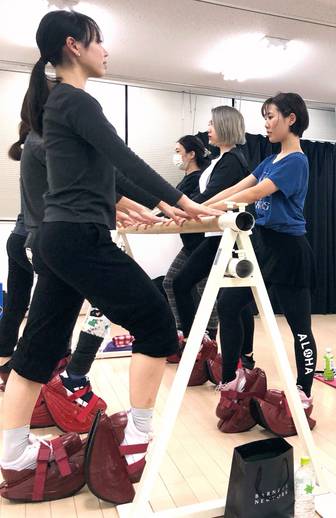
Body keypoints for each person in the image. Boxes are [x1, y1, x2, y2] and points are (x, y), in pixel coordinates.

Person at [0, 10, 220, 504]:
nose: (106, 51)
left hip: (62, 239)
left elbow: (106, 176)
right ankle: (138, 438)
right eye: (99, 41)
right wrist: (183, 201)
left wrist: (154, 207)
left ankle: (13, 458)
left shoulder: (58, 105)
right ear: (74, 45)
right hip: (78, 238)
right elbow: (125, 158)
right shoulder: (75, 100)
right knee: (157, 323)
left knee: (37, 351)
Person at [202, 93, 318, 432]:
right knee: (228, 304)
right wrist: (198, 207)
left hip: (290, 250)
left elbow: (254, 193)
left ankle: (304, 392)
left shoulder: (296, 161)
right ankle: (232, 378)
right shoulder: (270, 160)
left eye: (271, 116)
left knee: (299, 327)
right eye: (264, 117)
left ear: (291, 118)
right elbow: (239, 186)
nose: (266, 124)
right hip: (262, 246)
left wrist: (206, 209)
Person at [172, 107, 249, 355]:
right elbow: (203, 196)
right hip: (214, 236)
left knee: (231, 301)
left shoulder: (233, 160)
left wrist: (184, 211)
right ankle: (197, 342)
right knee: (182, 284)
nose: (208, 129)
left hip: (227, 238)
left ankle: (235, 354)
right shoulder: (220, 160)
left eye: (212, 124)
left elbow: (211, 195)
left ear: (225, 126)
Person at [161, 135, 219, 344]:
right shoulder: (184, 181)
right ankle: (183, 329)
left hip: (201, 243)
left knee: (204, 290)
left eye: (178, 151)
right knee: (170, 282)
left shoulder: (199, 178)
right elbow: (172, 206)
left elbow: (189, 206)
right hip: (189, 245)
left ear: (191, 154)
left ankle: (209, 335)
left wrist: (167, 213)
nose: (175, 156)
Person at [0, 122, 35, 388]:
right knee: (49, 305)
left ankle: (4, 357)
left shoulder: (30, 156)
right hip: (30, 240)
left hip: (17, 239)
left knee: (16, 304)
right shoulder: (43, 154)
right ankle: (18, 364)